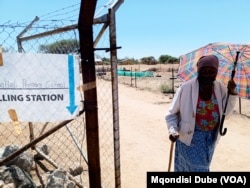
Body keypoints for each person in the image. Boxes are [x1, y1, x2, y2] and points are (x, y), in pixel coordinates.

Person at [165, 55, 237, 172]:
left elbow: (226, 115)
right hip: (188, 139)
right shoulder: (186, 88)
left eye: (211, 71)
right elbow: (171, 114)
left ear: (216, 72)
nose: (207, 74)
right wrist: (172, 130)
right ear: (198, 70)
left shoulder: (221, 89)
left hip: (209, 141)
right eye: (204, 70)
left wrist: (231, 93)